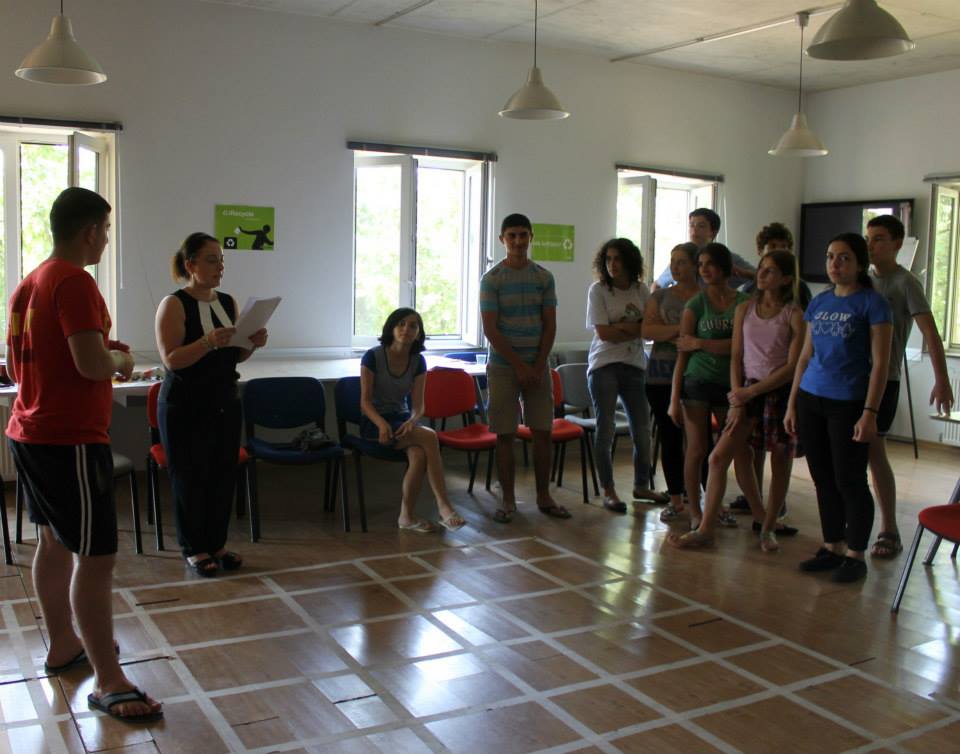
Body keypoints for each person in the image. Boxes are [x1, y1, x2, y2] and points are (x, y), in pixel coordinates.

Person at [6, 187, 162, 722]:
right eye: (106, 230)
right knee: (95, 558)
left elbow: (20, 366)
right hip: (68, 439)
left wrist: (102, 354)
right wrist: (120, 360)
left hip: (29, 431)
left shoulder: (29, 283)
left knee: (53, 543)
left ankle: (62, 645)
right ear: (90, 231)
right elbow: (91, 364)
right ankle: (109, 680)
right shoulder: (74, 281)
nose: (107, 240)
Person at [670, 250, 804, 550]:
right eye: (761, 268)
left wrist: (750, 392)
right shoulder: (747, 308)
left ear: (785, 279)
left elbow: (792, 366)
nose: (761, 274)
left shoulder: (793, 314)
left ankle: (767, 527)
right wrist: (738, 397)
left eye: (770, 271)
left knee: (779, 462)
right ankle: (705, 528)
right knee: (717, 458)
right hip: (746, 391)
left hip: (777, 393)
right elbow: (736, 356)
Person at [155, 233, 268, 577]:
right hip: (185, 404)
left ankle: (217, 544)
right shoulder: (174, 304)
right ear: (190, 265)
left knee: (221, 475)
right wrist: (206, 342)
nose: (220, 267)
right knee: (190, 477)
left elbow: (234, 356)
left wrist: (253, 343)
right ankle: (194, 548)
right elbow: (172, 359)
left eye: (221, 260)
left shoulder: (227, 302)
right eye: (211, 259)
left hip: (223, 400)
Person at [785, 233, 892, 584]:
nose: (835, 264)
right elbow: (805, 356)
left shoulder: (873, 304)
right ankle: (833, 545)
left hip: (848, 401)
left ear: (859, 264)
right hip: (811, 397)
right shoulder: (819, 302)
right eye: (831, 256)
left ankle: (856, 554)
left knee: (850, 479)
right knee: (823, 478)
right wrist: (792, 404)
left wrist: (870, 412)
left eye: (844, 257)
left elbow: (880, 364)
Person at [866, 214, 954, 558]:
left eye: (879, 239)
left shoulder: (906, 283)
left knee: (875, 453)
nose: (872, 245)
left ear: (897, 244)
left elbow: (931, 333)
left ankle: (888, 528)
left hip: (885, 379)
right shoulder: (862, 279)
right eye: (869, 238)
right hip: (853, 379)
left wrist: (942, 380)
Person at [480, 213, 568, 523]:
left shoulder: (544, 277)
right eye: (512, 235)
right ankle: (507, 500)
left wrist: (537, 365)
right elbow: (490, 329)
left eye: (522, 235)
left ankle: (544, 496)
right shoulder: (492, 279)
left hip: (538, 366)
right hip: (504, 367)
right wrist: (518, 365)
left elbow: (550, 324)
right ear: (502, 239)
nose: (518, 241)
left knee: (543, 431)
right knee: (505, 434)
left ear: (531, 237)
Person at [359, 307, 466, 533]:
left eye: (413, 326)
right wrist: (381, 424)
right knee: (430, 436)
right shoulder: (373, 356)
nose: (406, 329)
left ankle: (406, 517)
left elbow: (418, 406)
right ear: (391, 328)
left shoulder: (418, 361)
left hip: (402, 421)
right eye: (401, 324)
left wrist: (412, 420)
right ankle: (444, 506)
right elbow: (365, 402)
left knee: (418, 455)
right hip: (375, 423)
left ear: (419, 333)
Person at [730, 222, 812, 515]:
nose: (776, 253)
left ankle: (775, 508)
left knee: (779, 450)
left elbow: (796, 356)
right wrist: (740, 391)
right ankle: (754, 499)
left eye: (782, 249)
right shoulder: (746, 298)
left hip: (779, 384)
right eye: (770, 251)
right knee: (745, 448)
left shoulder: (797, 300)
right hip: (749, 383)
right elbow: (737, 353)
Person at [666, 243, 750, 529]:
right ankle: (695, 512)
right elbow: (683, 352)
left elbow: (740, 346)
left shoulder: (743, 302)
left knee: (727, 452)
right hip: (697, 381)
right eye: (700, 264)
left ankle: (718, 506)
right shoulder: (695, 305)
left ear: (724, 268)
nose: (704, 269)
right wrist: (674, 398)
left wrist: (701, 343)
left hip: (730, 384)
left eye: (710, 264)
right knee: (697, 449)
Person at [586, 238, 667, 512]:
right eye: (608, 259)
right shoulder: (598, 290)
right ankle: (609, 490)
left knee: (642, 431)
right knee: (606, 429)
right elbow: (603, 333)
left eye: (618, 259)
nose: (612, 264)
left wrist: (621, 326)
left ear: (629, 262)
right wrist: (635, 327)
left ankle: (641, 485)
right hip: (603, 366)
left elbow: (649, 330)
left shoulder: (641, 290)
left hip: (634, 366)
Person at [643, 243, 701, 516]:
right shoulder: (660, 295)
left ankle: (704, 499)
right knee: (670, 439)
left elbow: (705, 335)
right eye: (672, 261)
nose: (675, 267)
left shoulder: (704, 297)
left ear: (695, 265)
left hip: (696, 375)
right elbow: (648, 330)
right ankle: (676, 498)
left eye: (681, 262)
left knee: (700, 442)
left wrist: (669, 331)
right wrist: (682, 329)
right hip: (660, 377)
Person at [651, 209, 755, 290]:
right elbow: (657, 285)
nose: (694, 230)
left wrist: (742, 273)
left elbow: (757, 276)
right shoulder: (681, 257)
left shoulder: (726, 257)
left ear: (713, 232)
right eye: (691, 225)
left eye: (701, 226)